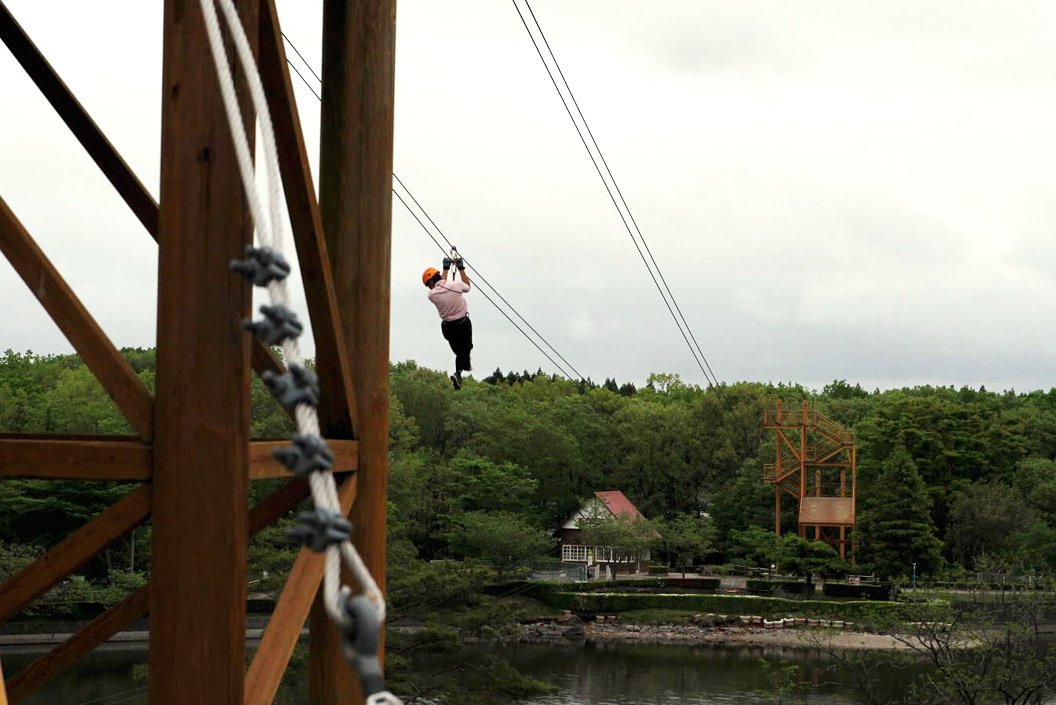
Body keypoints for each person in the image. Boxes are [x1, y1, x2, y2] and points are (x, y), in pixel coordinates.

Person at [423, 255, 473, 389]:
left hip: (448, 329)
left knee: (460, 352)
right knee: (466, 349)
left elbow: (441, 285)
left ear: (432, 283)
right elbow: (467, 286)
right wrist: (461, 268)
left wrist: (445, 268)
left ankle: (459, 373)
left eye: (429, 285)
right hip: (463, 324)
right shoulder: (455, 285)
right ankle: (462, 369)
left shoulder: (432, 295)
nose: (429, 288)